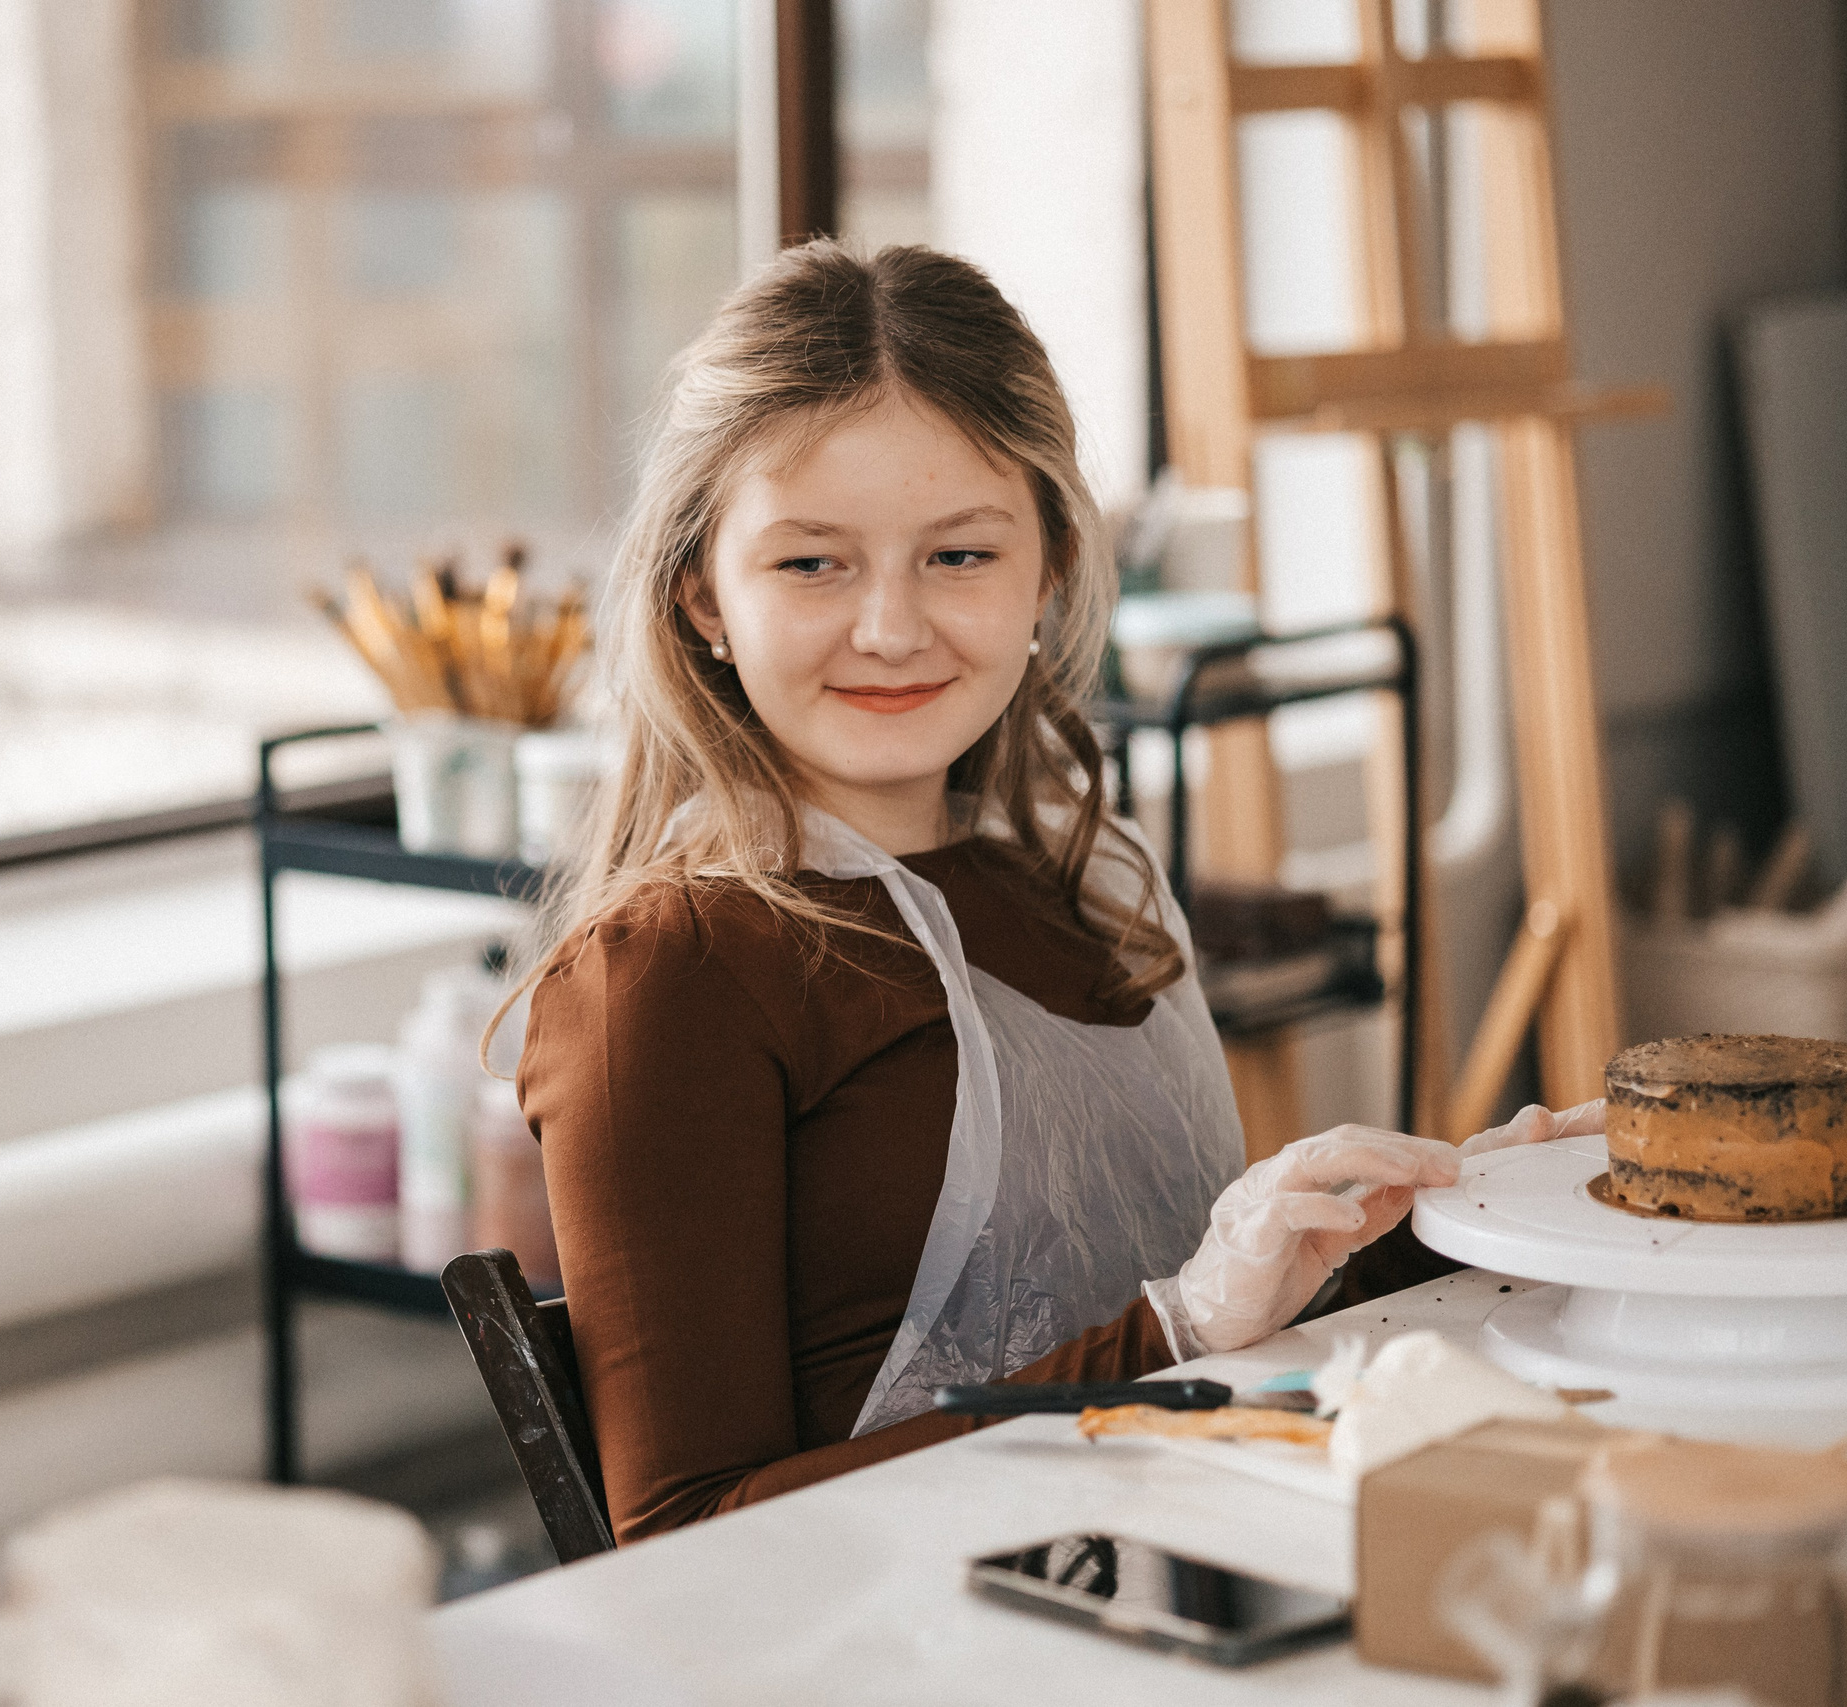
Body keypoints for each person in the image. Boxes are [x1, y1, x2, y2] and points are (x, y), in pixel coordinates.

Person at [513, 243, 1599, 1543]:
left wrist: (1459, 1212)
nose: (893, 628)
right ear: (702, 594)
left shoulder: (1091, 880)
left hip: (1191, 1572)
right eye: (814, 564)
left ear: (1050, 568)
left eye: (960, 556)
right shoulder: (668, 976)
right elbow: (688, 1543)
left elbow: (1199, 1325)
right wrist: (1180, 1325)